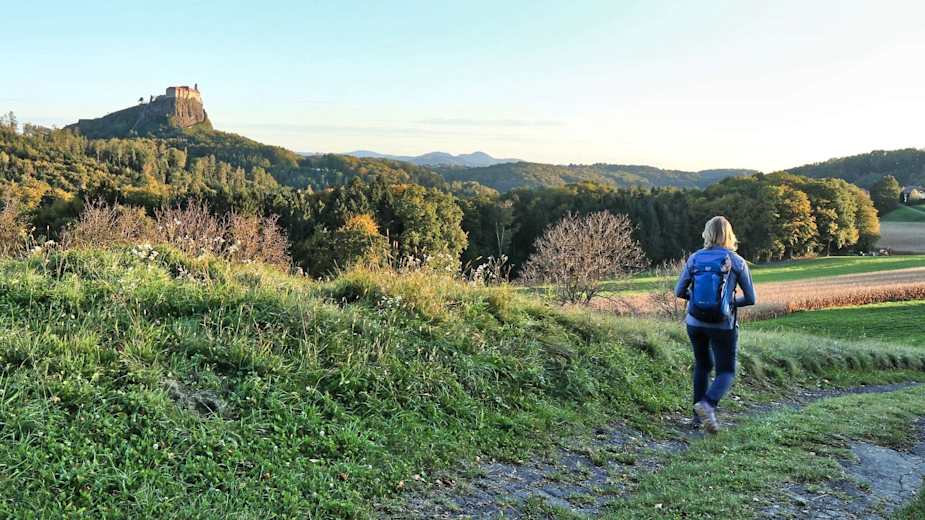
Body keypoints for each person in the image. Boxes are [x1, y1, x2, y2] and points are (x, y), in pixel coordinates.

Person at [674, 216, 756, 433]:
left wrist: (697, 301)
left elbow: (679, 291)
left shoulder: (694, 259)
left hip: (694, 322)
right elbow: (751, 298)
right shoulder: (736, 261)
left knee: (702, 365)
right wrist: (728, 304)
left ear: (707, 233)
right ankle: (707, 405)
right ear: (730, 235)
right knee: (726, 371)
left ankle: (696, 419)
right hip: (722, 325)